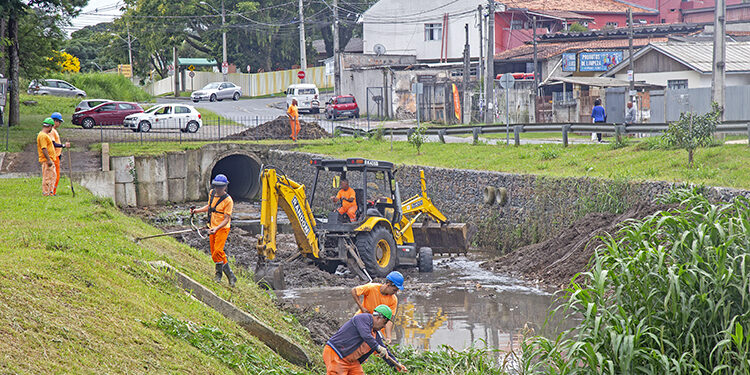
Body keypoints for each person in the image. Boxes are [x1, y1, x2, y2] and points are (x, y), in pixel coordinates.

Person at [324, 305, 408, 374]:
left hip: (352, 361)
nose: (384, 326)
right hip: (337, 354)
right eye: (385, 323)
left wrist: (396, 364)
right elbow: (366, 335)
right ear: (379, 318)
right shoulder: (363, 318)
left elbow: (385, 352)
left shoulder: (375, 334)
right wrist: (378, 347)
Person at [191, 174, 237, 286]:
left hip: (222, 228)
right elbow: (210, 207)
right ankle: (229, 276)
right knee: (214, 254)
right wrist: (196, 211)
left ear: (225, 187)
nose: (218, 189)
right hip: (212, 227)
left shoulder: (228, 201)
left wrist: (216, 228)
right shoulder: (212, 193)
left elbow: (227, 219)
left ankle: (221, 275)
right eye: (216, 186)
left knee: (218, 251)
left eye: (221, 187)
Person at [351, 271, 404, 344]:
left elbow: (389, 320)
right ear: (388, 285)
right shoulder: (372, 288)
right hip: (362, 320)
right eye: (394, 290)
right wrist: (361, 307)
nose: (395, 292)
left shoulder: (393, 299)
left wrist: (388, 337)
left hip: (378, 327)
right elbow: (354, 291)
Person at [49, 112, 70, 195]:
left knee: (56, 175)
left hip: (57, 155)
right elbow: (53, 143)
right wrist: (63, 145)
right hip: (54, 156)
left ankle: (52, 191)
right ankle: (52, 192)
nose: (60, 124)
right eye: (59, 122)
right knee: (55, 175)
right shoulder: (51, 131)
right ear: (55, 121)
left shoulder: (54, 131)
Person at [36, 118, 57, 196]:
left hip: (50, 159)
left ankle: (50, 192)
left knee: (52, 176)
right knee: (48, 177)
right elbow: (44, 148)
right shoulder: (43, 136)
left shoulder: (44, 135)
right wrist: (48, 160)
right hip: (46, 160)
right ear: (50, 126)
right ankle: (46, 192)